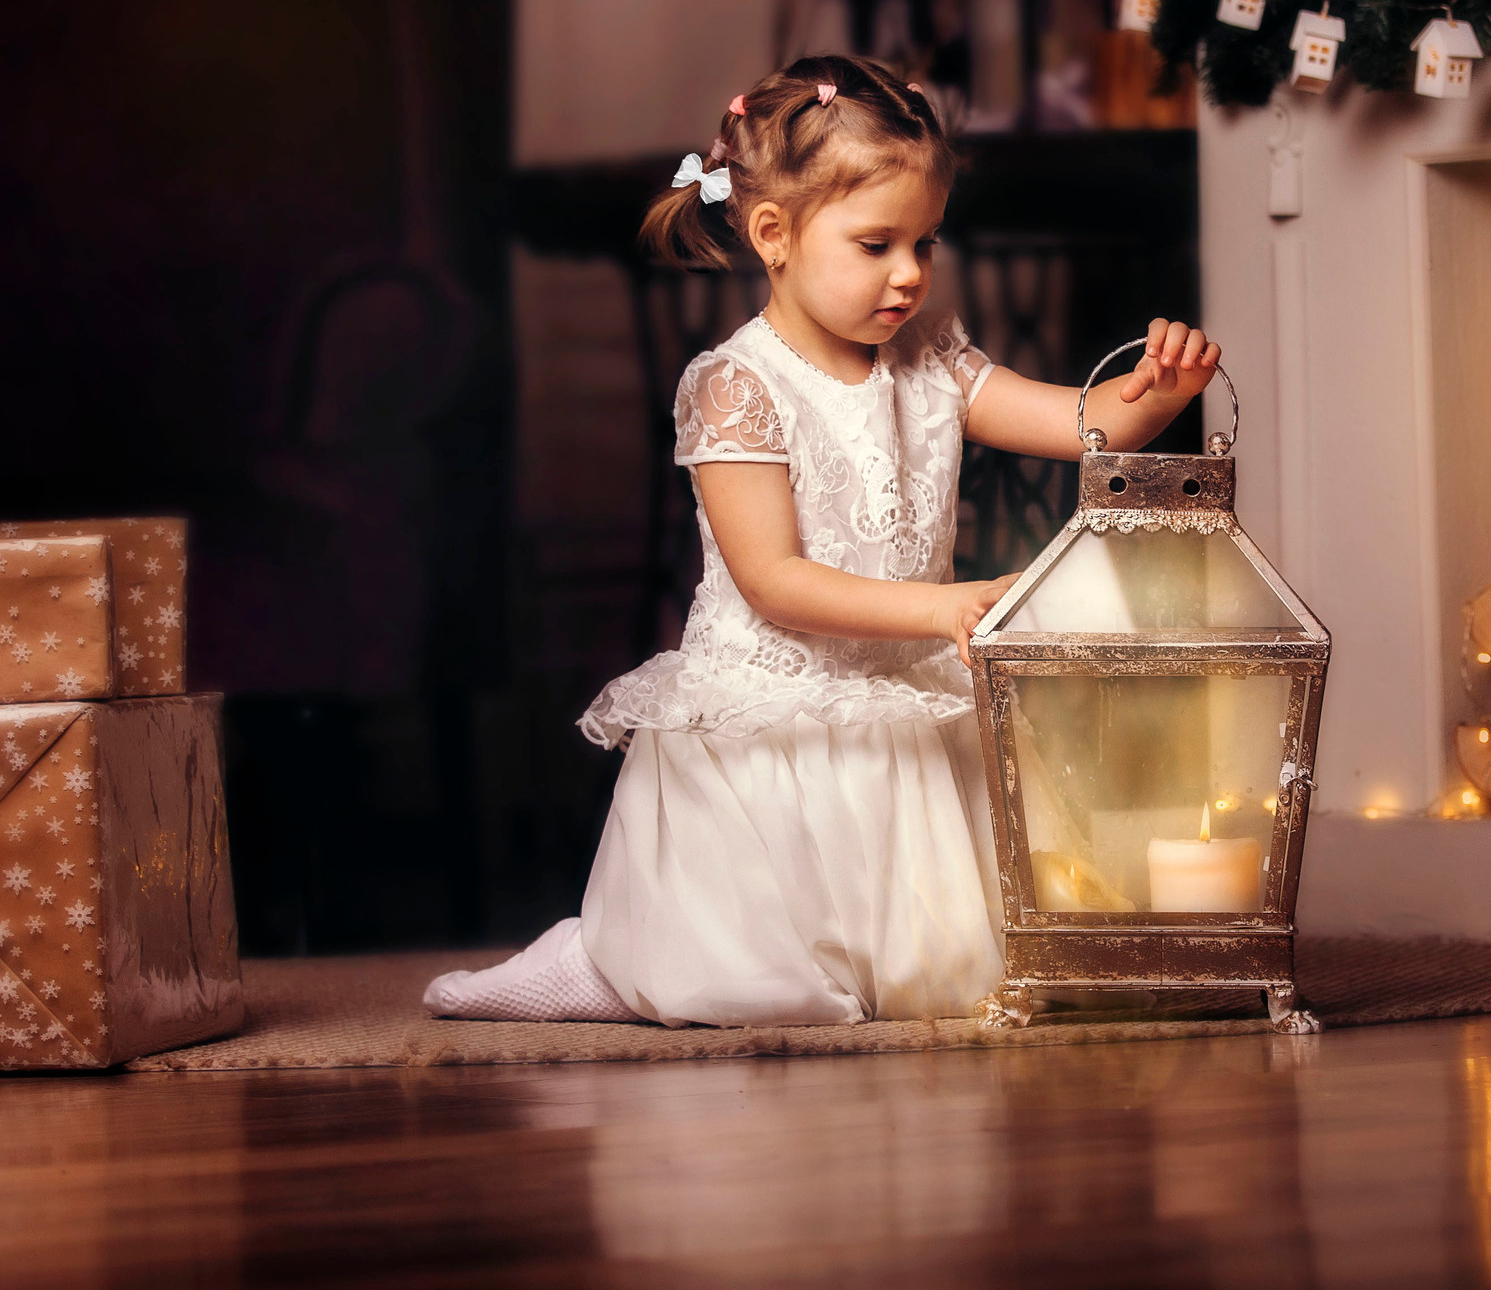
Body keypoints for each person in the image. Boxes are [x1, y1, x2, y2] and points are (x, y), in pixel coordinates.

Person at [425, 56, 1221, 1026]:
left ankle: (821, 954)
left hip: (903, 690)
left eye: (925, 241)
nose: (910, 273)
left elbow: (1083, 423)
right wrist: (946, 605)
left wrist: (1155, 395)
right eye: (876, 243)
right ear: (776, 234)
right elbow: (773, 580)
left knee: (954, 971)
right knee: (742, 975)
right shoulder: (738, 386)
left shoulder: (931, 354)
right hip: (777, 705)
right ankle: (600, 957)